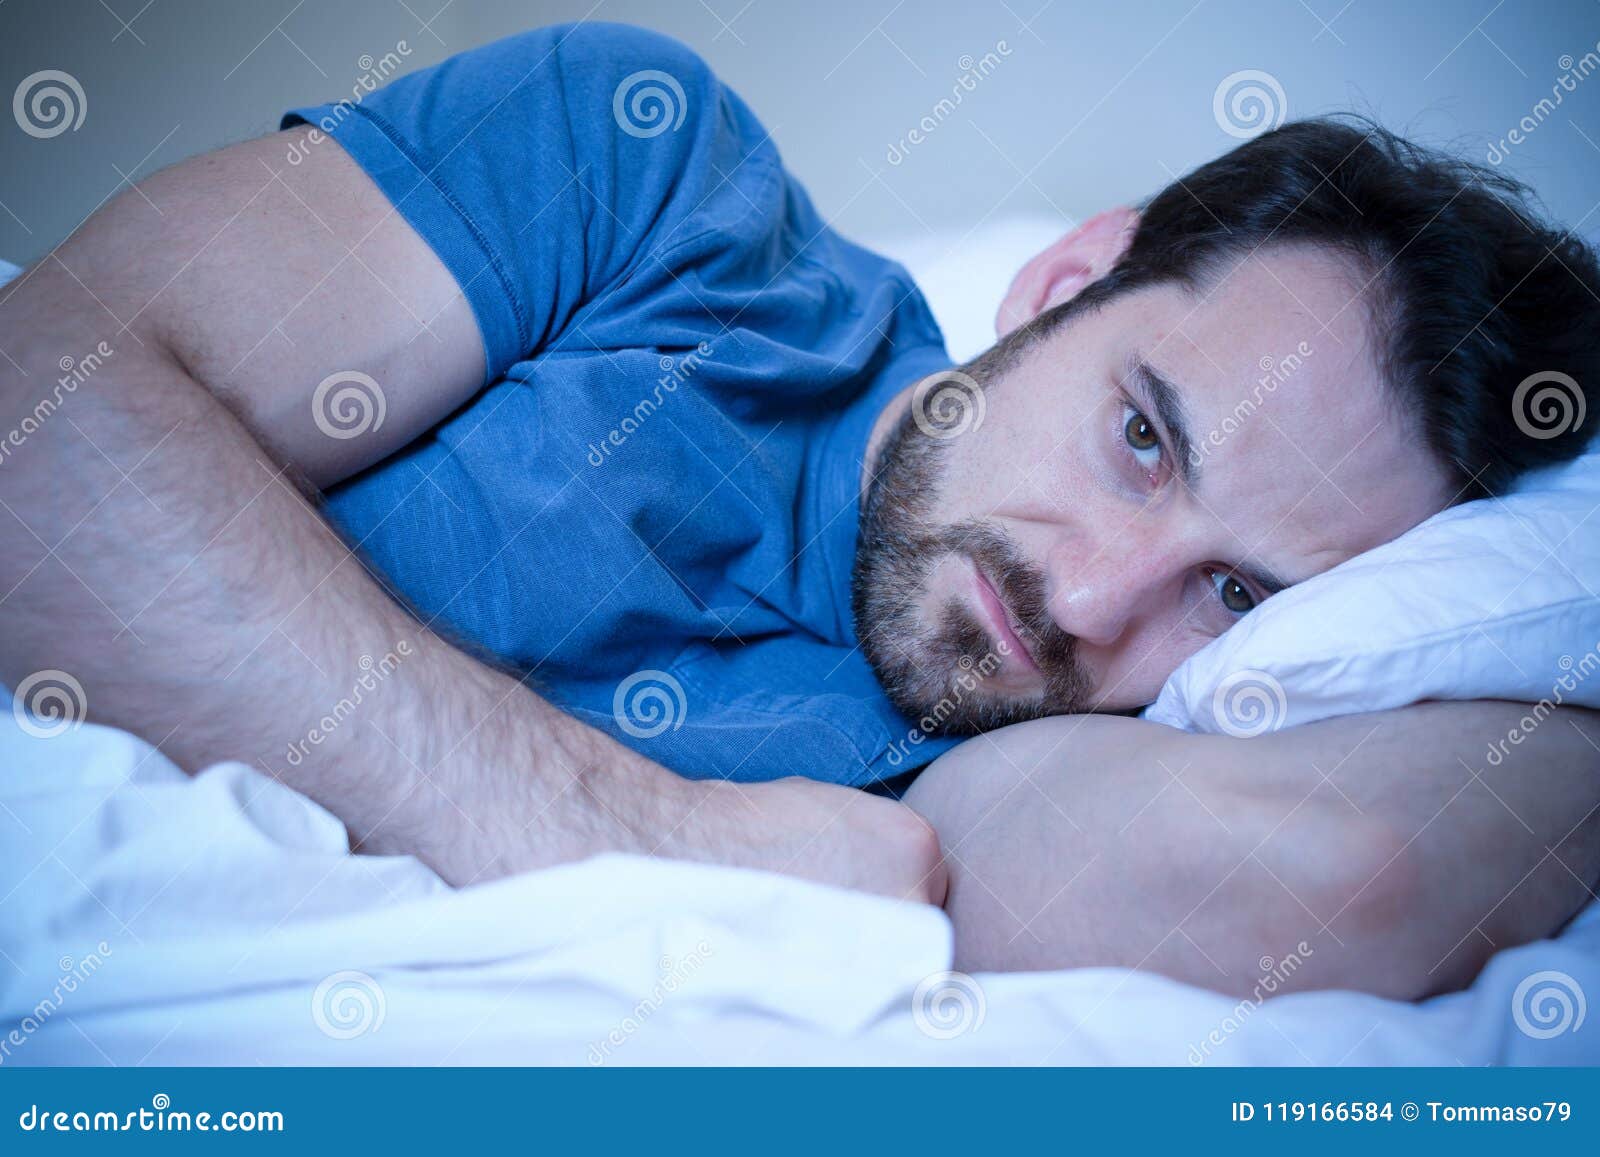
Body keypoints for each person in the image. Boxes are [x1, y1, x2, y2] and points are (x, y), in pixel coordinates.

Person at [2, 23, 1595, 997]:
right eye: (1141, 438)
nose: (1095, 602)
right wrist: (619, 827)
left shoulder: (993, 760)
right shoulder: (651, 177)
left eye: (1238, 595)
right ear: (1067, 282)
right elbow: (37, 407)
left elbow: (1344, 874)